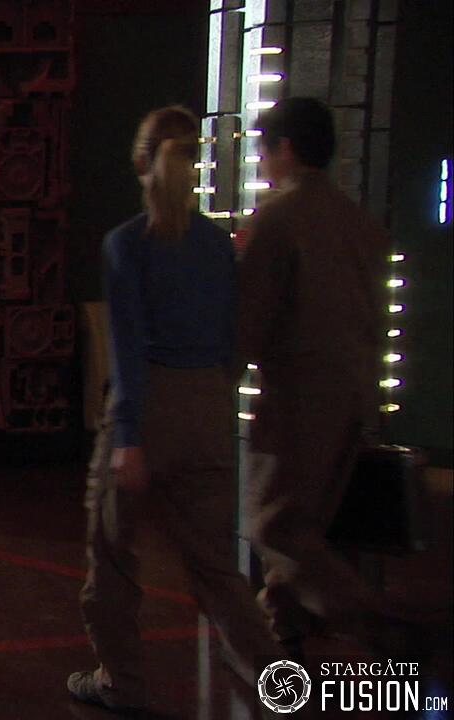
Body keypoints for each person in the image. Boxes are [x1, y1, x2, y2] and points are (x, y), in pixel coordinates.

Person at [68, 106, 284, 713]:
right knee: (217, 570)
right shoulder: (217, 244)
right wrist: (214, 392)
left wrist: (130, 437)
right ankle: (281, 688)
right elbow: (235, 337)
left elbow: (129, 347)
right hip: (209, 406)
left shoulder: (126, 244)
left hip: (148, 408)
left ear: (140, 160)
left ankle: (122, 683)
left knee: (112, 562)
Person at [238, 97, 391, 658]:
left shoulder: (276, 219)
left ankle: (365, 615)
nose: (262, 163)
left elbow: (249, 316)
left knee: (270, 523)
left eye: (264, 150)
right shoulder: (360, 222)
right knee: (306, 517)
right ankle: (284, 623)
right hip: (355, 392)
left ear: (284, 148)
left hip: (298, 395)